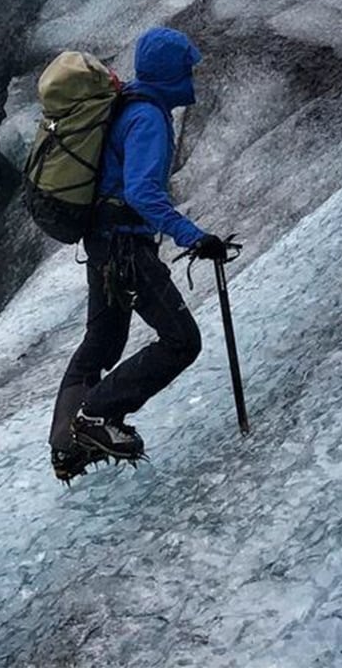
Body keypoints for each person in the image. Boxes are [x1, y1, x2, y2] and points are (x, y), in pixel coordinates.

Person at [49, 26, 231, 478]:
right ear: (171, 73)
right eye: (187, 67)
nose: (193, 73)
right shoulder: (147, 117)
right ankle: (94, 418)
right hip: (127, 247)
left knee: (101, 343)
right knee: (182, 341)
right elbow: (143, 192)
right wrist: (193, 236)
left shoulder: (127, 102)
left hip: (102, 242)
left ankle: (68, 446)